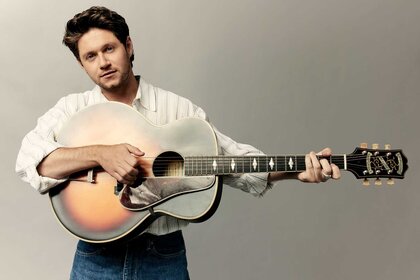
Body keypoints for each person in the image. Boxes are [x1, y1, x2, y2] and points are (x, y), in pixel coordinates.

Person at [15, 6, 340, 280]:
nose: (103, 62)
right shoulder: (72, 110)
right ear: (81, 64)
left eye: (109, 49)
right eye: (90, 56)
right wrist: (101, 153)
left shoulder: (180, 111)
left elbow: (234, 162)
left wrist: (297, 172)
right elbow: (32, 161)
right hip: (95, 256)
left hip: (163, 258)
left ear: (128, 46)